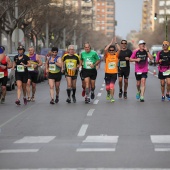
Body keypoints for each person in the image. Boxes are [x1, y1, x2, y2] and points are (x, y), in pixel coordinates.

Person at [103, 38, 120, 102]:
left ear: (114, 51)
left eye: (113, 50)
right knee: (107, 87)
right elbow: (105, 49)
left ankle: (112, 97)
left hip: (114, 73)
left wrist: (115, 43)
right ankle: (108, 93)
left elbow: (119, 49)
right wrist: (110, 43)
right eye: (110, 50)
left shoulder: (116, 55)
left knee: (112, 86)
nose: (111, 51)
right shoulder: (107, 55)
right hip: (107, 73)